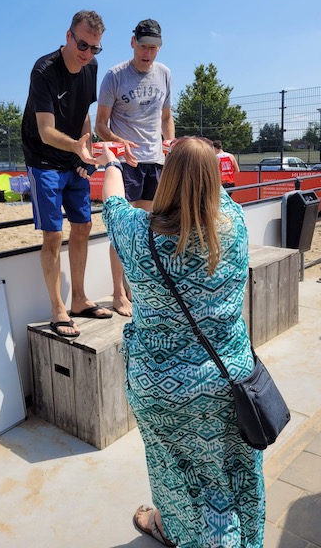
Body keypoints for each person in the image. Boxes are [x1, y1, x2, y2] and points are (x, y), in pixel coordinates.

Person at [98, 137, 265, 547]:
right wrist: (197, 157)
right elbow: (207, 191)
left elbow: (113, 204)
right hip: (231, 378)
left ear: (167, 179)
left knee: (179, 474)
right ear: (214, 180)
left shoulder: (139, 236)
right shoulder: (236, 222)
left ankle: (183, 531)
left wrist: (113, 163)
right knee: (237, 468)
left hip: (163, 386)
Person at [21, 10, 112, 337]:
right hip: (43, 158)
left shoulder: (91, 66)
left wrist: (86, 148)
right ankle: (58, 308)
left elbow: (85, 115)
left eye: (95, 48)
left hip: (74, 155)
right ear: (68, 36)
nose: (87, 54)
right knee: (52, 234)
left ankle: (79, 299)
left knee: (85, 224)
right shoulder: (44, 69)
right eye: (83, 44)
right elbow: (45, 131)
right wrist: (77, 147)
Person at [95, 19, 175, 316]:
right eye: (143, 46)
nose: (148, 53)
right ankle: (118, 293)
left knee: (149, 229)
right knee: (121, 232)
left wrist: (172, 143)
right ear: (132, 42)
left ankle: (137, 289)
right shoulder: (114, 76)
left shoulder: (165, 73)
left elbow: (166, 117)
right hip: (125, 164)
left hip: (155, 161)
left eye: (154, 47)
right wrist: (120, 142)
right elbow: (100, 126)